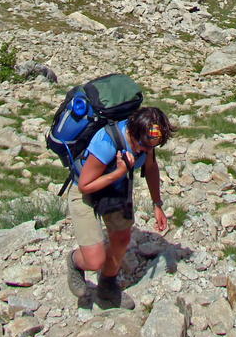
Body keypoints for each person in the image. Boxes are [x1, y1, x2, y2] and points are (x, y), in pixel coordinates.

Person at [66, 105, 176, 308]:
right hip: (85, 188)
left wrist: (157, 205)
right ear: (133, 131)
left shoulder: (147, 141)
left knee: (122, 238)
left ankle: (107, 287)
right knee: (94, 261)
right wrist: (119, 172)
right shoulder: (107, 142)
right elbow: (84, 185)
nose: (145, 150)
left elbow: (150, 168)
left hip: (113, 186)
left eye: (152, 146)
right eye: (142, 145)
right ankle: (74, 262)